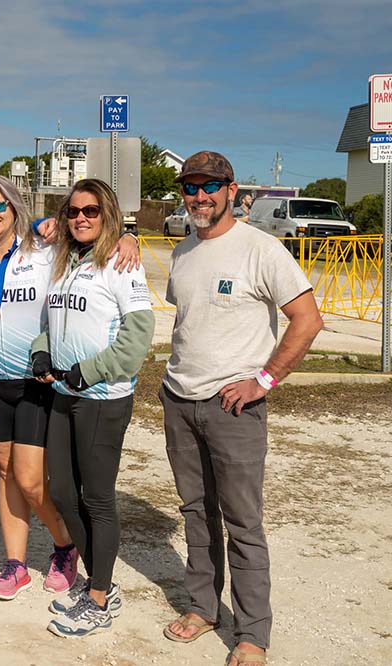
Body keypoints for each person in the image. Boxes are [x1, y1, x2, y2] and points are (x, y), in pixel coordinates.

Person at [159, 151, 322, 666]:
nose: (199, 196)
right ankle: (204, 608)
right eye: (190, 187)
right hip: (180, 400)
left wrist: (264, 380)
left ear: (232, 190)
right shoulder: (183, 251)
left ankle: (252, 633)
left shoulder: (262, 249)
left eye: (211, 186)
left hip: (234, 409)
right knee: (195, 512)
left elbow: (307, 320)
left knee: (242, 521)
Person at [30, 178, 154, 637]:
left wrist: (95, 369)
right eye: (73, 211)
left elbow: (138, 336)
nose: (80, 218)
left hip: (102, 398)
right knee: (62, 492)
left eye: (92, 211)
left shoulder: (122, 263)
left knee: (97, 499)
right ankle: (101, 579)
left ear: (108, 216)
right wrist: (41, 352)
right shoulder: (64, 262)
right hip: (64, 393)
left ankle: (99, 595)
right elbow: (50, 321)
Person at [0, 172, 77, 600]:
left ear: (14, 206)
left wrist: (128, 240)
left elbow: (95, 242)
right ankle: (15, 565)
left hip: (36, 380)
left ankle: (65, 545)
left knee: (28, 479)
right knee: (5, 472)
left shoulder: (45, 252)